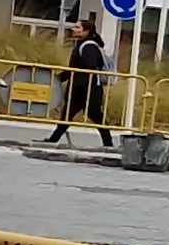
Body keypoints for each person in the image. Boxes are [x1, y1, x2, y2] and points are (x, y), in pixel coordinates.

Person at [44, 18, 115, 148]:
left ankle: (109, 144)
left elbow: (89, 67)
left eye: (78, 27)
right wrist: (58, 78)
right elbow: (75, 68)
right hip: (81, 87)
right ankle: (53, 140)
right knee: (68, 115)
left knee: (95, 116)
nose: (73, 29)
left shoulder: (88, 47)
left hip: (87, 89)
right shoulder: (83, 44)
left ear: (86, 31)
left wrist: (62, 78)